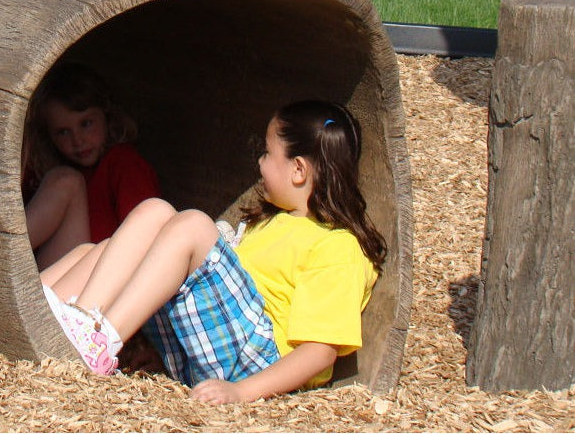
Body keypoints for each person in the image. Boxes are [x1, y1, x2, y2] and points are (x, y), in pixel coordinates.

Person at [41, 100, 388, 405]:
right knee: (121, 237)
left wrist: (243, 392)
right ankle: (47, 316)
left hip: (258, 364)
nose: (260, 163)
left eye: (267, 153)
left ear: (298, 170)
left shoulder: (337, 246)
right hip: (219, 349)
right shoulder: (272, 222)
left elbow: (319, 353)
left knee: (191, 224)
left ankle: (96, 341)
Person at [22, 62, 160, 269]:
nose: (78, 140)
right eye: (63, 132)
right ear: (49, 136)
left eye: (86, 124)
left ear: (106, 115)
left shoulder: (123, 163)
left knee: (67, 181)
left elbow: (148, 240)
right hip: (51, 275)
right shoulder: (48, 174)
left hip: (103, 277)